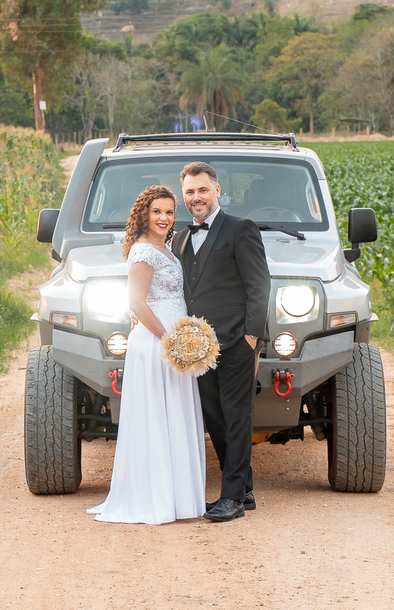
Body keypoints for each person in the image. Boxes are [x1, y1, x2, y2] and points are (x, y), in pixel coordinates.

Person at [87, 186, 207, 524]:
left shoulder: (165, 248)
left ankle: (178, 498)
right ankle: (154, 498)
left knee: (175, 416)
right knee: (156, 417)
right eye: (157, 212)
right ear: (144, 214)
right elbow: (137, 303)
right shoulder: (143, 251)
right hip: (157, 343)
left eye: (169, 212)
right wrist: (169, 338)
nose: (165, 218)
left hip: (172, 339)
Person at [173, 161, 270, 522]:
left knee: (236, 418)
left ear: (216, 190)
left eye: (202, 190)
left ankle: (232, 499)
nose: (196, 198)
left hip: (235, 342)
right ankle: (243, 486)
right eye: (189, 192)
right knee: (214, 418)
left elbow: (259, 286)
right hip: (197, 349)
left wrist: (251, 338)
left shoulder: (241, 229)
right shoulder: (180, 238)